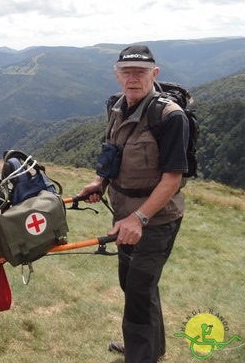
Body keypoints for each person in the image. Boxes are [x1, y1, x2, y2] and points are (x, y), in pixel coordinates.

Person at [77, 44, 188, 363]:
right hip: (124, 214)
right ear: (117, 75)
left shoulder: (169, 117)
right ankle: (151, 345)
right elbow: (114, 153)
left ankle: (141, 356)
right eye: (126, 71)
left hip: (156, 219)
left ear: (154, 74)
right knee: (134, 284)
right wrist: (100, 183)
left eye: (140, 72)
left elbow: (172, 179)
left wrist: (139, 218)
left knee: (139, 287)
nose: (133, 78)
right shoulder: (116, 108)